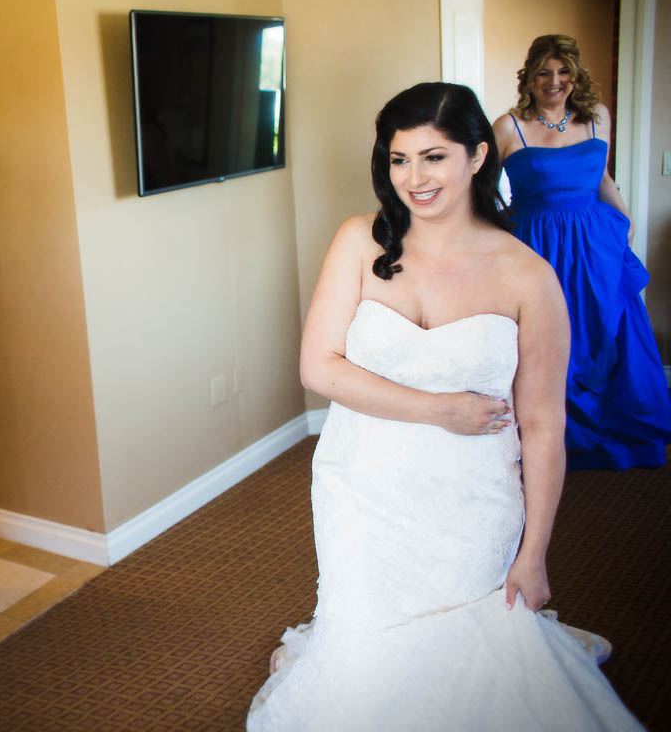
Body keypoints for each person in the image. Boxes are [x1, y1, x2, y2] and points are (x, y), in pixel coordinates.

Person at [247, 82, 640, 730]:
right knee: (365, 639)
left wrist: (535, 553)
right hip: (359, 485)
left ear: (478, 156)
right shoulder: (359, 240)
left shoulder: (528, 275)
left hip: (471, 498)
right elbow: (318, 367)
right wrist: (439, 409)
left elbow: (544, 425)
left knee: (469, 651)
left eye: (434, 157)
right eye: (400, 159)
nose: (414, 178)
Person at [493, 33, 671, 471]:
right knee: (547, 336)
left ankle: (609, 426)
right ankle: (547, 431)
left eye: (563, 71)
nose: (554, 81)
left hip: (594, 244)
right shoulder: (508, 126)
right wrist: (492, 233)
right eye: (544, 72)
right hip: (537, 245)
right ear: (529, 77)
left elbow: (602, 177)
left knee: (602, 328)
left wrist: (624, 218)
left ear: (575, 75)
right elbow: (482, 188)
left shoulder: (597, 118)